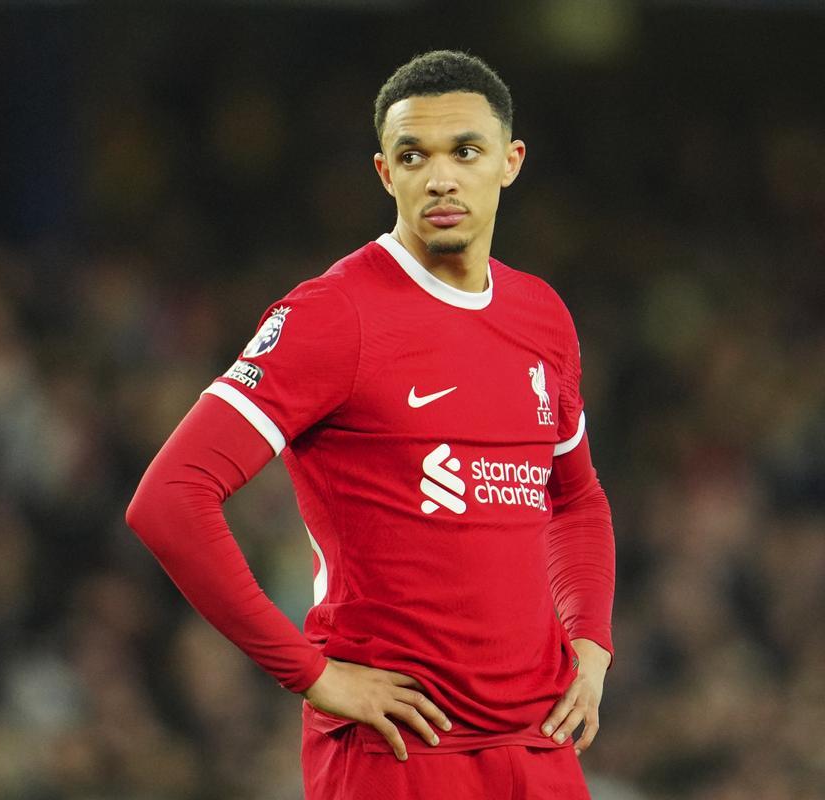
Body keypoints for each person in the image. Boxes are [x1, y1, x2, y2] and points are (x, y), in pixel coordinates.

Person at [126, 50, 615, 799]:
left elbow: (575, 499)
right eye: (413, 155)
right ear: (386, 173)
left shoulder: (541, 316)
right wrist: (311, 674)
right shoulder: (335, 314)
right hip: (401, 750)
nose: (440, 177)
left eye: (466, 152)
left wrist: (591, 642)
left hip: (537, 743)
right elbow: (169, 499)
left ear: (510, 163)